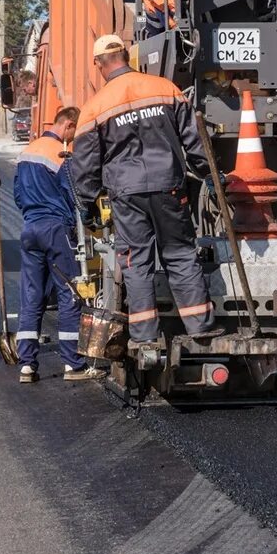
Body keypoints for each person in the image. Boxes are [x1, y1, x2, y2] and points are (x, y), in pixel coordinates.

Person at [71, 35, 218, 346]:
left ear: (99, 65)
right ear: (127, 55)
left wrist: (87, 202)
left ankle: (144, 335)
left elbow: (86, 163)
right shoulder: (165, 89)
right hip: (169, 186)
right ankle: (199, 327)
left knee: (136, 260)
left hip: (126, 193)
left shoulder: (95, 107)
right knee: (179, 253)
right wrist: (209, 177)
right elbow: (194, 141)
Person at [12, 106, 105, 384]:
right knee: (70, 293)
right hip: (56, 229)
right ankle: (72, 365)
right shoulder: (61, 153)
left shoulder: (26, 152)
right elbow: (75, 193)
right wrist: (91, 217)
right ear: (68, 125)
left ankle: (26, 365)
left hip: (30, 228)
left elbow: (18, 195)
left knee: (32, 296)